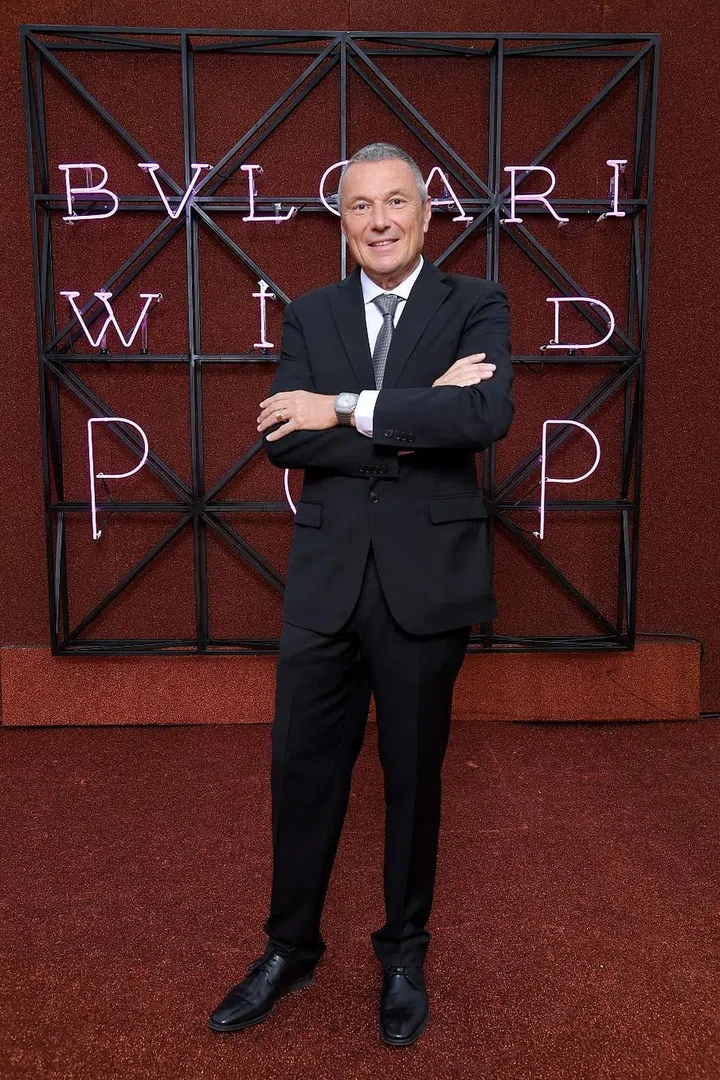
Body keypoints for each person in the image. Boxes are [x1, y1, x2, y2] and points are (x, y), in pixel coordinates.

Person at [208, 142, 514, 1047]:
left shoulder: (478, 303)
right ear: (341, 223)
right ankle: (289, 947)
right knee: (301, 774)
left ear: (426, 216)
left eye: (395, 203)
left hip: (427, 587)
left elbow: (480, 419)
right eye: (358, 206)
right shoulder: (310, 312)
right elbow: (281, 438)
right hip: (326, 585)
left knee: (413, 782)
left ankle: (402, 954)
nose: (378, 221)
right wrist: (414, 408)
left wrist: (338, 406)